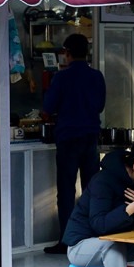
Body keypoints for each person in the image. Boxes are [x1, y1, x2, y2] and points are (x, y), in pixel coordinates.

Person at [41, 33, 106, 254]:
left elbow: (46, 110)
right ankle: (92, 237)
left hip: (68, 139)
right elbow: (99, 106)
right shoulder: (96, 76)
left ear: (67, 54)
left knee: (67, 191)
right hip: (90, 138)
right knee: (91, 190)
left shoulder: (62, 78)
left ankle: (67, 241)